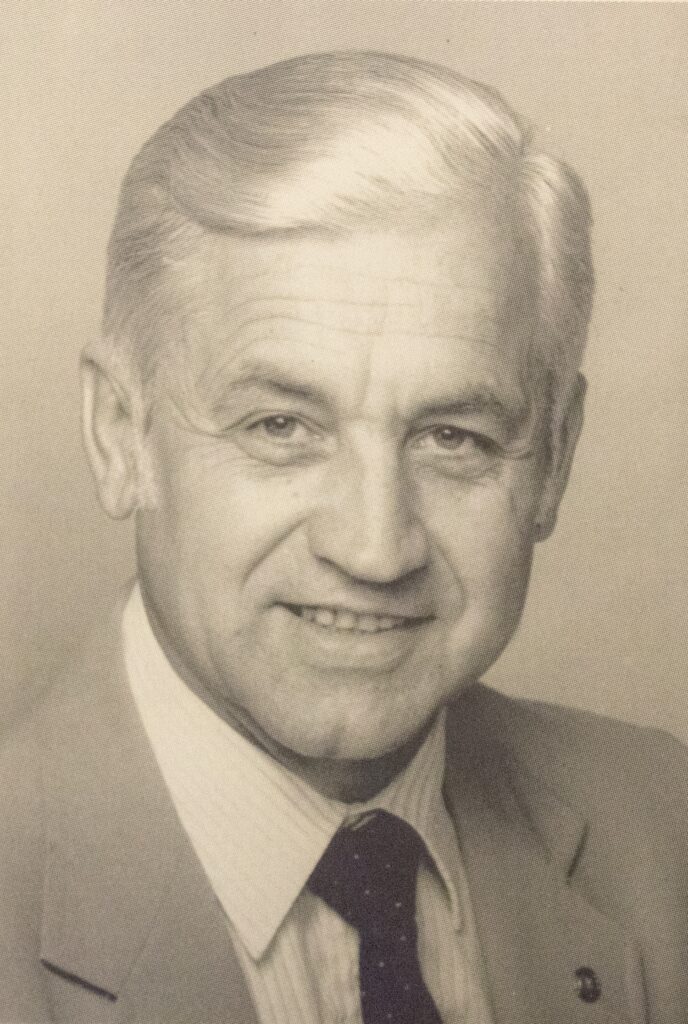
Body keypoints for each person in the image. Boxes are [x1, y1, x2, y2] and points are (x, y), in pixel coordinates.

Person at [1, 50, 686, 1024]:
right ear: (121, 435)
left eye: (454, 436)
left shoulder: (663, 822)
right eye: (281, 427)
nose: (374, 548)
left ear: (556, 456)